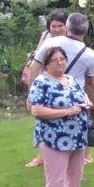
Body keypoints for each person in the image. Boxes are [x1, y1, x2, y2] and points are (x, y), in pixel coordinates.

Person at [27, 45, 94, 187]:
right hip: (53, 137)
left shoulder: (71, 79)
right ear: (46, 64)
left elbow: (82, 96)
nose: (59, 63)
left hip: (77, 136)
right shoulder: (41, 82)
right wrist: (66, 112)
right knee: (56, 176)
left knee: (75, 173)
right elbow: (36, 109)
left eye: (62, 59)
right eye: (55, 60)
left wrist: (85, 102)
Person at [33, 12, 94, 160]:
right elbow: (90, 84)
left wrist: (32, 94)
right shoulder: (90, 54)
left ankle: (47, 156)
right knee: (75, 131)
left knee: (49, 126)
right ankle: (80, 158)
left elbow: (34, 67)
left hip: (50, 95)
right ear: (85, 31)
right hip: (75, 98)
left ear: (67, 27)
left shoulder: (51, 43)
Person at [23, 9, 69, 167]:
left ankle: (80, 154)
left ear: (67, 26)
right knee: (43, 121)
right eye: (53, 26)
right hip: (46, 82)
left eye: (60, 26)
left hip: (66, 82)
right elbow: (37, 58)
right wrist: (31, 92)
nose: (56, 29)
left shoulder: (71, 39)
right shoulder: (45, 37)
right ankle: (42, 156)